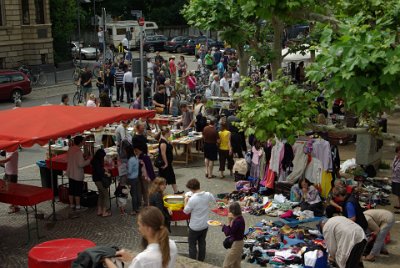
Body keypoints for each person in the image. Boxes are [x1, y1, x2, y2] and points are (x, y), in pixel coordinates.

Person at [103, 206, 177, 268]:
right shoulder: (172, 245)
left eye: (139, 225)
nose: (138, 229)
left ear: (148, 229)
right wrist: (132, 259)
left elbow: (144, 262)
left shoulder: (142, 259)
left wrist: (106, 259)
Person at [183, 178, 216, 261]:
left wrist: (185, 201)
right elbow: (214, 200)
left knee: (192, 245)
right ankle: (201, 261)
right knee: (202, 243)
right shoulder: (207, 194)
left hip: (194, 226)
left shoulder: (192, 199)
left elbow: (186, 211)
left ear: (191, 189)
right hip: (205, 225)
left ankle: (193, 262)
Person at [66, 136, 91, 210]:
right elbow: (81, 164)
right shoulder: (78, 151)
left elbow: (73, 158)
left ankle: (71, 205)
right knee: (77, 191)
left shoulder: (70, 149)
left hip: (70, 173)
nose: (84, 142)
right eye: (83, 141)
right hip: (77, 174)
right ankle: (78, 206)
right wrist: (89, 160)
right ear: (80, 142)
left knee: (71, 190)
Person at [156, 127, 183, 194]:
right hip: (165, 163)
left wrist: (170, 141)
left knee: (172, 177)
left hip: (168, 163)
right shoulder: (163, 142)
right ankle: (160, 192)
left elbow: (171, 145)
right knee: (163, 179)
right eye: (170, 132)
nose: (171, 133)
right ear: (167, 133)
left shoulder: (166, 139)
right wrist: (166, 163)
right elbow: (163, 154)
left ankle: (176, 191)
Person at [222, 202, 245, 268]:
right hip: (239, 243)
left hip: (236, 244)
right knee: (236, 264)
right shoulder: (240, 218)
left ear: (232, 211)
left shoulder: (237, 221)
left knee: (226, 264)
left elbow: (229, 232)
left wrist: (228, 221)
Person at [91, 149, 111, 217]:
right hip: (99, 180)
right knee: (106, 195)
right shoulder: (97, 162)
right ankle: (104, 212)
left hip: (96, 179)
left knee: (101, 195)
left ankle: (99, 211)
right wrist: (106, 173)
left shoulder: (94, 160)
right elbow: (100, 172)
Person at [126, 145, 141, 215]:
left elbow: (129, 171)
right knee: (137, 193)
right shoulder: (135, 158)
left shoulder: (130, 160)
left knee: (133, 194)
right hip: (136, 177)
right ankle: (137, 207)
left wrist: (125, 171)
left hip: (132, 178)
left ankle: (134, 209)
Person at [392, 145, 400, 213]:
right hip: (395, 178)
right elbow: (393, 166)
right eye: (398, 152)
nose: (399, 154)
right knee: (397, 193)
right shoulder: (396, 158)